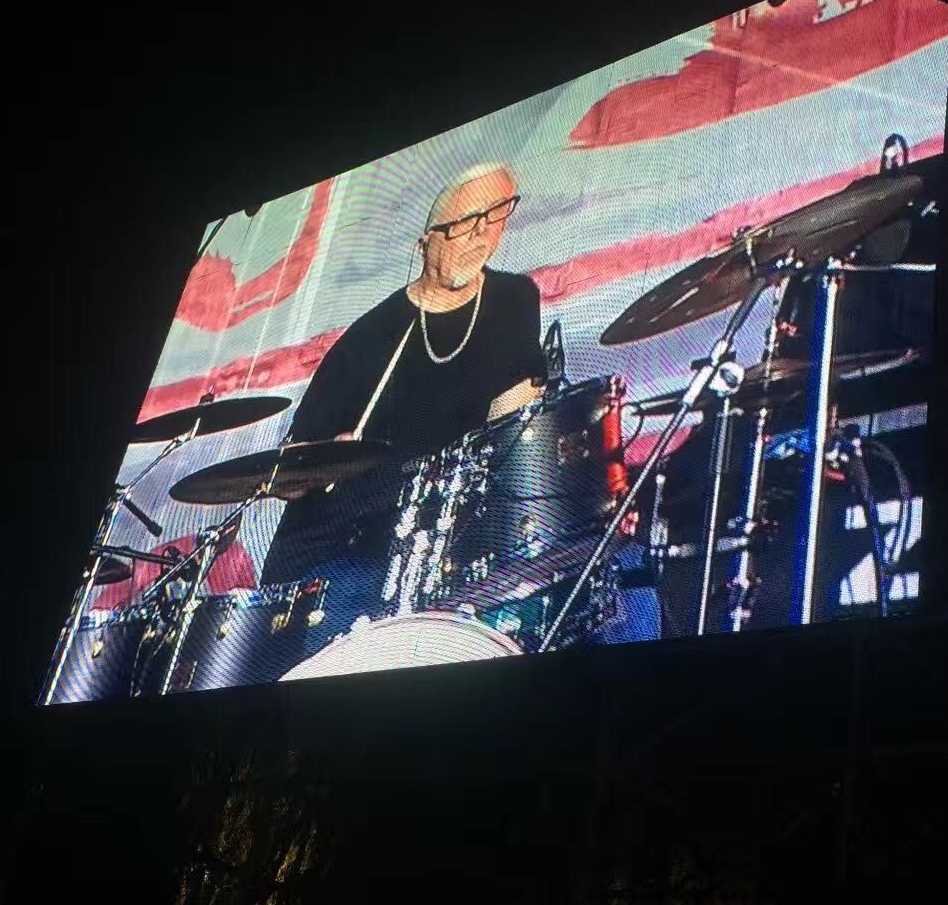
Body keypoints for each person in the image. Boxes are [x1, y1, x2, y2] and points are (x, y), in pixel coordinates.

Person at [258, 162, 659, 663]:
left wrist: (581, 498)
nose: (479, 238)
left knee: (622, 566)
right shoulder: (367, 339)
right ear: (424, 243)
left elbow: (515, 428)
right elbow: (286, 472)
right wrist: (323, 460)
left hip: (456, 535)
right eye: (463, 225)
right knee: (352, 634)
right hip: (356, 542)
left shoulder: (512, 299)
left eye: (494, 219)